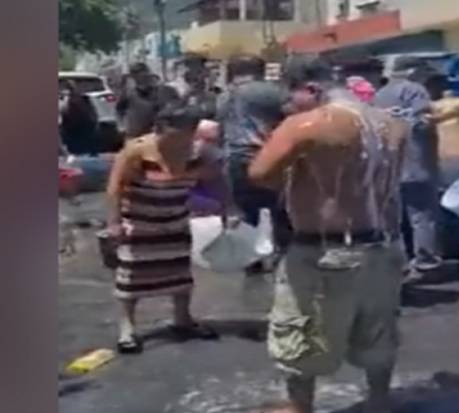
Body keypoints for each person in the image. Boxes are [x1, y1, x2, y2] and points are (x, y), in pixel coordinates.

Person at [249, 55, 408, 413]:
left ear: (312, 89)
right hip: (383, 245)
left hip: (326, 251)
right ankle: (379, 401)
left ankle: (299, 407)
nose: (288, 105)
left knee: (302, 333)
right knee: (378, 330)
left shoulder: (308, 124)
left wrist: (280, 151)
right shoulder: (392, 124)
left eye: (292, 96)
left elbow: (260, 174)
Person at [106, 103, 220, 354]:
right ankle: (128, 328)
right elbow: (115, 188)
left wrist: (226, 207)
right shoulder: (136, 150)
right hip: (139, 221)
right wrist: (114, 223)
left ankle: (182, 319)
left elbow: (215, 181)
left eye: (182, 137)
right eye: (168, 136)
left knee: (179, 273)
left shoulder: (201, 152)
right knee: (131, 277)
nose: (174, 143)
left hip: (176, 219)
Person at [217, 54, 291, 275]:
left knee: (247, 214)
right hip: (267, 156)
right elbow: (291, 117)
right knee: (281, 211)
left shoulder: (224, 96)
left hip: (235, 159)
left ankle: (251, 262)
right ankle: (283, 258)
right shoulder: (270, 91)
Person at [374, 56, 443, 274]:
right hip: (417, 162)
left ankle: (398, 262)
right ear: (412, 71)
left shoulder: (380, 95)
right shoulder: (415, 90)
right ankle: (426, 261)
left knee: (394, 219)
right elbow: (422, 123)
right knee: (422, 216)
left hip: (390, 165)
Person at [116, 63, 180, 139]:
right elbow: (119, 110)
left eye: (144, 73)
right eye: (137, 74)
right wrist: (121, 126)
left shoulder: (165, 90)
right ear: (133, 77)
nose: (141, 76)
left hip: (159, 135)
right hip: (136, 136)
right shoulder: (128, 94)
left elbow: (177, 106)